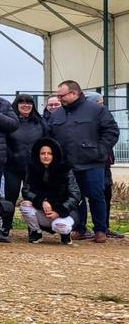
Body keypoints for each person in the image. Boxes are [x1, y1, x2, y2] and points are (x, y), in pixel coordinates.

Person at [47, 80, 120, 243]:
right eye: (58, 96)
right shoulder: (57, 115)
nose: (60, 99)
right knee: (75, 197)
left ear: (75, 93)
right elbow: (50, 137)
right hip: (68, 165)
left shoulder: (97, 110)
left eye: (62, 95)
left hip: (92, 163)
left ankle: (100, 230)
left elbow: (111, 131)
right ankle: (79, 228)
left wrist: (100, 150)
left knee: (96, 196)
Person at [20, 138, 82, 245]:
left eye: (49, 153)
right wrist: (41, 201)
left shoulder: (65, 170)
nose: (46, 156)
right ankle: (36, 232)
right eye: (43, 153)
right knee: (25, 205)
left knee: (61, 226)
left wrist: (59, 211)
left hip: (64, 212)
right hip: (43, 211)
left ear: (55, 155)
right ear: (38, 155)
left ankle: (65, 234)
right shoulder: (32, 169)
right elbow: (26, 190)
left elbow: (75, 195)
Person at [6, 94, 46, 230]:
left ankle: (34, 229)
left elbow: (46, 142)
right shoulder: (10, 122)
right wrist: (10, 156)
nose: (26, 105)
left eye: (29, 103)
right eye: (22, 102)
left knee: (33, 198)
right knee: (10, 197)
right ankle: (6, 226)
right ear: (16, 106)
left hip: (34, 168)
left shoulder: (40, 123)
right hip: (12, 167)